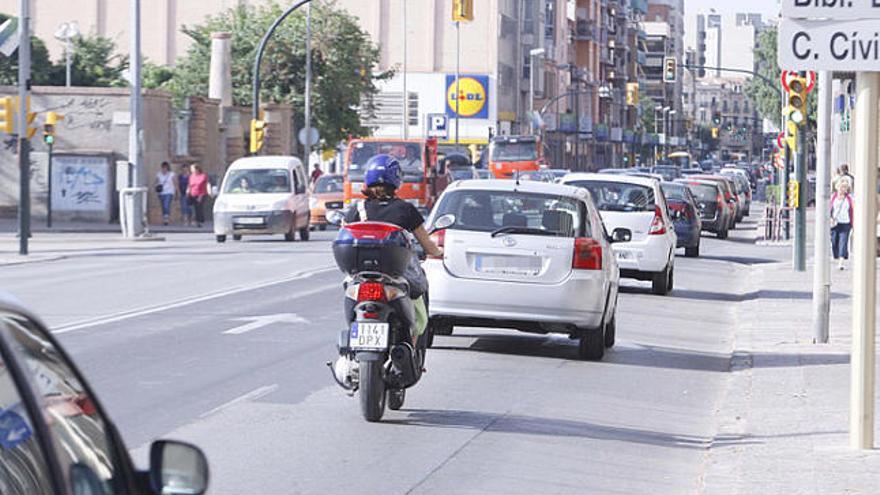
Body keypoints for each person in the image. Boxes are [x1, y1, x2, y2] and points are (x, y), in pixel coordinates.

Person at [333, 155, 443, 382]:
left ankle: (352, 355)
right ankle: (411, 348)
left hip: (359, 278)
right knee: (420, 311)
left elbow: (342, 235)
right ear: (396, 181)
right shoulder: (406, 210)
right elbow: (427, 245)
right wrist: (439, 253)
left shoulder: (357, 209)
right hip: (399, 277)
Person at [831, 181, 854, 270]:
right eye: (842, 187)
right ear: (837, 187)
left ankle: (841, 262)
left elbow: (852, 210)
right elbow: (829, 208)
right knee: (834, 241)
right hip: (835, 223)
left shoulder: (849, 198)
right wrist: (830, 218)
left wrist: (853, 223)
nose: (843, 189)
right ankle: (837, 256)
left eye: (845, 187)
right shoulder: (833, 197)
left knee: (843, 242)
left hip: (846, 223)